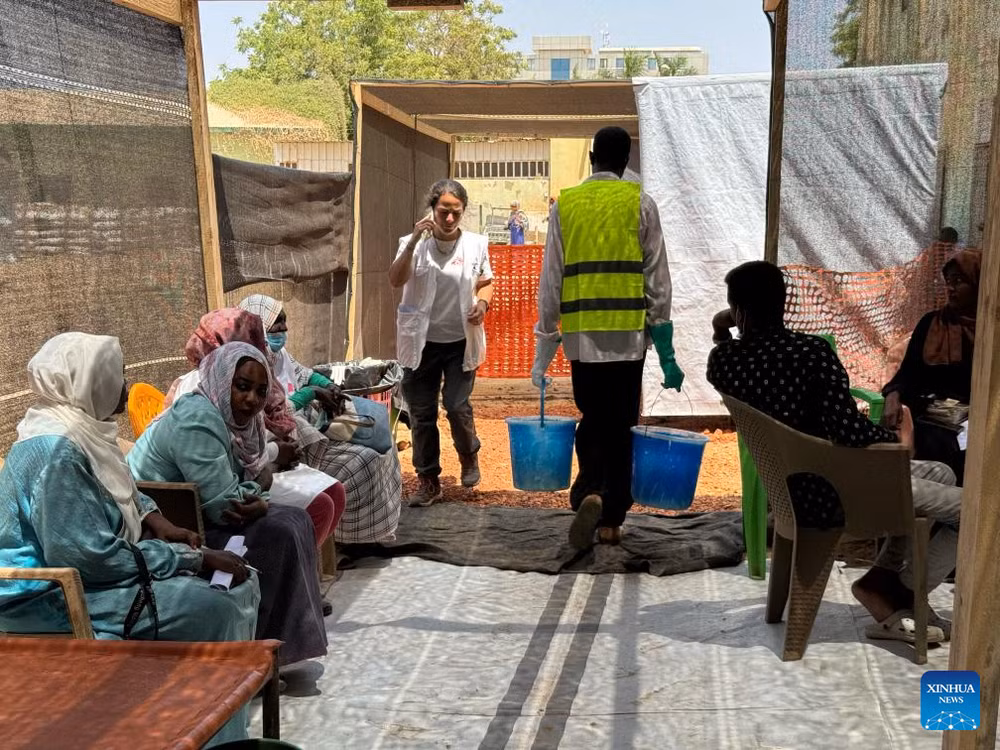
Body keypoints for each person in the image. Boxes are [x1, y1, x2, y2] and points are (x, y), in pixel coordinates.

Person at [0, 333, 259, 745]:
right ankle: (212, 736)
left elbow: (118, 485)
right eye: (116, 376)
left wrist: (157, 521)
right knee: (216, 605)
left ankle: (210, 716)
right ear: (89, 380)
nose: (123, 386)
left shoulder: (79, 429)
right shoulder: (56, 452)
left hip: (89, 576)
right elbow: (89, 559)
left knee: (241, 580)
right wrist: (189, 559)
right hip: (51, 596)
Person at [707, 260, 963, 644]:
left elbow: (726, 343)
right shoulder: (811, 353)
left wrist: (721, 325)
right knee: (975, 508)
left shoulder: (724, 362)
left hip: (792, 488)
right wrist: (898, 443)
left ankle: (880, 581)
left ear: (738, 310)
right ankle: (901, 592)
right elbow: (847, 431)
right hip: (837, 493)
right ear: (786, 303)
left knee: (942, 474)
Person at [127, 342, 328, 667]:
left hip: (202, 513)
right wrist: (262, 488)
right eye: (242, 386)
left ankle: (281, 646)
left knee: (296, 520)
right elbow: (227, 507)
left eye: (261, 391)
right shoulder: (197, 420)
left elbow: (243, 489)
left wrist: (260, 492)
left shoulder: (235, 420)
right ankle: (256, 654)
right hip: (171, 527)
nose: (252, 399)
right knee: (279, 533)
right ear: (222, 380)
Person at [531, 126, 682, 550]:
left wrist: (544, 349)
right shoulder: (642, 204)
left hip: (582, 340)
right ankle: (612, 518)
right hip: (629, 341)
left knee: (592, 417)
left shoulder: (567, 205)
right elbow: (659, 281)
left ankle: (589, 491)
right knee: (620, 425)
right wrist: (666, 350)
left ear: (593, 156)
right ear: (625, 161)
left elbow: (551, 282)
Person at [163, 308, 345, 549]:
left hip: (246, 475)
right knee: (304, 517)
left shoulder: (251, 371)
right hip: (195, 505)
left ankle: (300, 567)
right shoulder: (200, 400)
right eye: (249, 338)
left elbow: (251, 445)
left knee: (333, 493)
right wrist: (268, 473)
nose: (257, 344)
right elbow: (225, 505)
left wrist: (269, 466)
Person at [238, 294, 403, 542]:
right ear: (257, 326)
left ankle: (378, 532)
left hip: (306, 429)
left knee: (383, 448)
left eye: (284, 321)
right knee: (363, 461)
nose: (283, 328)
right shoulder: (248, 364)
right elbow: (271, 414)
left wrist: (327, 386)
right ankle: (345, 539)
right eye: (276, 323)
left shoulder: (279, 355)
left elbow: (305, 374)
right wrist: (312, 394)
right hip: (287, 445)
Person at [388, 178, 494, 506]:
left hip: (460, 341)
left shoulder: (476, 244)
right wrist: (413, 241)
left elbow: (486, 283)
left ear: (463, 212)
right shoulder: (413, 242)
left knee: (457, 405)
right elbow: (396, 279)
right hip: (421, 343)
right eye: (443, 211)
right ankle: (428, 479)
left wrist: (483, 304)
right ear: (432, 209)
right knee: (421, 413)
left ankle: (468, 454)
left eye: (455, 213)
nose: (449, 219)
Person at [882, 249, 981, 485]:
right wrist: (893, 394)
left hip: (976, 418)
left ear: (979, 283)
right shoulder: (932, 323)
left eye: (959, 281)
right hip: (932, 415)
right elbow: (908, 373)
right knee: (932, 443)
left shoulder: (990, 329)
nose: (951, 289)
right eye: (948, 282)